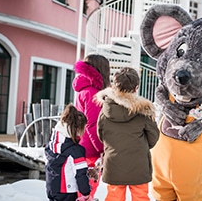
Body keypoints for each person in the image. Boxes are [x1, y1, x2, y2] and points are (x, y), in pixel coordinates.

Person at [95, 67, 159, 201]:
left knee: (114, 196)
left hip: (113, 162)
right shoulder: (144, 111)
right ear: (136, 88)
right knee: (140, 196)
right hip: (138, 164)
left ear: (114, 86)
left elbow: (101, 134)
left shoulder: (105, 110)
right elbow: (153, 137)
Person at [72, 53, 111, 198]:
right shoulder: (92, 93)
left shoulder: (83, 90)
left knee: (80, 190)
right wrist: (102, 148)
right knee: (87, 191)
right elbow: (93, 124)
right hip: (91, 151)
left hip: (81, 146)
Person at [45, 103, 91, 201]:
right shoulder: (76, 151)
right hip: (67, 192)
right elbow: (80, 174)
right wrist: (85, 192)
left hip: (51, 188)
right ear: (77, 129)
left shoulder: (51, 145)